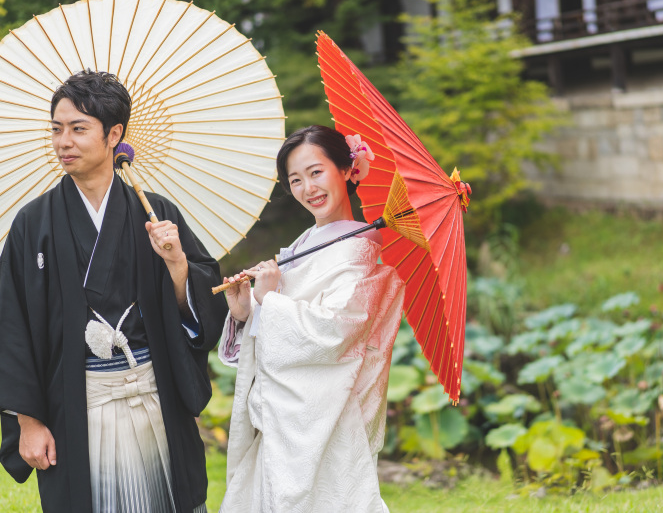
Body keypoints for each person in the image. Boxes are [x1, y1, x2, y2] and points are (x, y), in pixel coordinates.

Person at [0, 69, 228, 512]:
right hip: (77, 401)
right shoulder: (33, 222)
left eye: (78, 129)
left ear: (114, 134)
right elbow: (10, 324)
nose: (63, 141)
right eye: (57, 129)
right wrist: (28, 420)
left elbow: (204, 304)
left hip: (154, 394)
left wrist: (178, 264)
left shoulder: (157, 212)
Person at [218, 125, 405, 512]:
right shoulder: (308, 242)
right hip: (288, 412)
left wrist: (270, 300)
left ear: (347, 170)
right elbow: (282, 317)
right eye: (296, 180)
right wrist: (246, 312)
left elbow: (333, 332)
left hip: (325, 413)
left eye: (316, 172)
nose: (308, 188)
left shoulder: (357, 254)